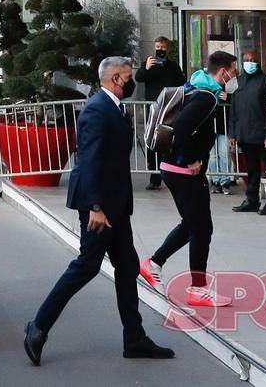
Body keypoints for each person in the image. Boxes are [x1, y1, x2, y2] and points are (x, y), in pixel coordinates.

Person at [24, 57, 174, 366]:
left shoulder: (113, 107)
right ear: (116, 78)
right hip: (100, 206)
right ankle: (38, 327)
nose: (132, 82)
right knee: (86, 266)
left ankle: (134, 338)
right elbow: (88, 159)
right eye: (129, 77)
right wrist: (94, 206)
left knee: (127, 266)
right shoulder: (96, 109)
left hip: (115, 204)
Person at [139, 51, 236, 307]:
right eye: (232, 71)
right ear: (223, 70)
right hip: (184, 171)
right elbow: (181, 127)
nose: (233, 76)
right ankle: (197, 288)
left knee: (193, 225)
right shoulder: (206, 98)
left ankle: (153, 264)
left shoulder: (194, 86)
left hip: (173, 168)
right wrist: (194, 159)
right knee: (202, 229)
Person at [229, 49, 266, 215]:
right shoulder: (238, 82)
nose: (249, 62)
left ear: (258, 62)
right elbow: (233, 110)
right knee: (252, 169)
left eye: (252, 59)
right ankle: (252, 199)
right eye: (246, 59)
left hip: (262, 135)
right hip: (245, 134)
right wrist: (232, 133)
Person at [135, 36, 186, 190]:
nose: (160, 50)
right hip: (153, 108)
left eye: (163, 47)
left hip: (170, 109)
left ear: (167, 49)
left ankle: (170, 174)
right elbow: (139, 78)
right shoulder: (149, 64)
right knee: (152, 140)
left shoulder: (174, 67)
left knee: (169, 140)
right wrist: (146, 68)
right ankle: (154, 177)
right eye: (157, 46)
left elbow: (182, 84)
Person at [209, 91, 233, 195]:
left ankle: (225, 181)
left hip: (224, 127)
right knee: (213, 156)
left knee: (224, 154)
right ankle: (216, 181)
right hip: (210, 128)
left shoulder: (227, 88)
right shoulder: (207, 91)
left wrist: (229, 98)